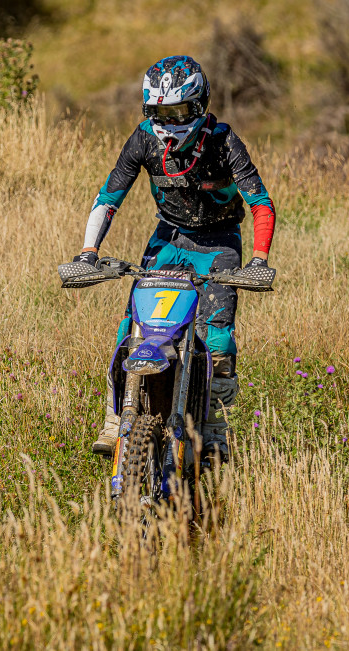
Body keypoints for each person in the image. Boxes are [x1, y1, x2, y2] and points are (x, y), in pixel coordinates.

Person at [72, 55, 277, 462]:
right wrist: (88, 252)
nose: (169, 121)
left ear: (200, 104)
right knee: (133, 325)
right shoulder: (144, 138)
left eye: (179, 111)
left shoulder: (223, 140)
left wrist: (257, 260)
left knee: (217, 335)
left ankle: (214, 429)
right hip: (168, 237)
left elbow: (261, 203)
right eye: (160, 112)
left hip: (219, 241)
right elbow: (109, 196)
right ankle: (115, 418)